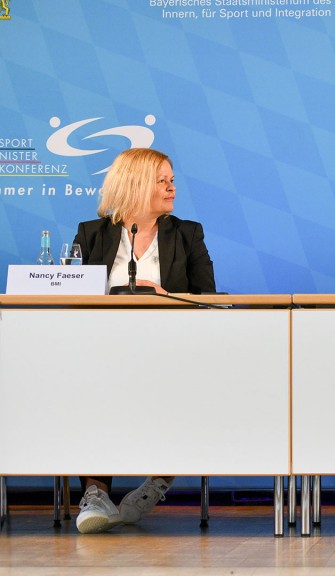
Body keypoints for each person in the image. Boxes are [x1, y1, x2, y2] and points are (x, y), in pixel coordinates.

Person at [72, 148, 216, 533]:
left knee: (178, 392)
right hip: (105, 348)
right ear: (134, 184)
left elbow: (209, 300)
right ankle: (95, 492)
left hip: (171, 349)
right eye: (162, 181)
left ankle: (157, 481)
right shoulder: (91, 233)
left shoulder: (187, 234)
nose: (171, 188)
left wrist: (162, 294)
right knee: (87, 389)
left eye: (172, 180)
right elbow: (71, 293)